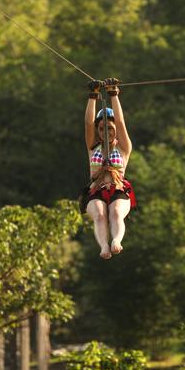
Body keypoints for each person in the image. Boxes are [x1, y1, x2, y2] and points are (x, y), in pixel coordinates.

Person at [80, 78, 136, 259]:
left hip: (118, 189)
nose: (106, 131)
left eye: (109, 128)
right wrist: (92, 96)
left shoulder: (124, 148)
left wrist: (113, 94)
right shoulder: (92, 147)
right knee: (100, 215)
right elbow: (88, 124)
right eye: (102, 128)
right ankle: (104, 245)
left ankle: (116, 240)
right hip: (96, 190)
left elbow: (120, 122)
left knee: (116, 212)